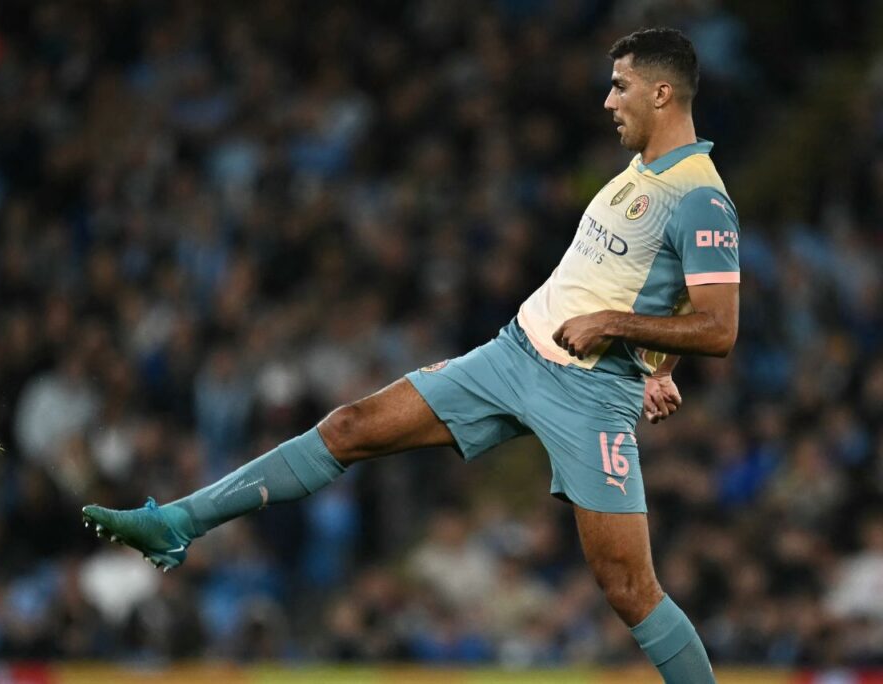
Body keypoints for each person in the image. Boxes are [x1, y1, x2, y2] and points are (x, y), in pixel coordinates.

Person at [83, 27, 738, 683]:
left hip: (590, 396)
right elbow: (666, 287)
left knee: (628, 588)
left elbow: (719, 327)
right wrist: (659, 367)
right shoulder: (640, 171)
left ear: (660, 92)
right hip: (512, 357)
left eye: (620, 86)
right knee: (350, 426)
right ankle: (176, 524)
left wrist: (617, 331)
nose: (607, 100)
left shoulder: (701, 198)